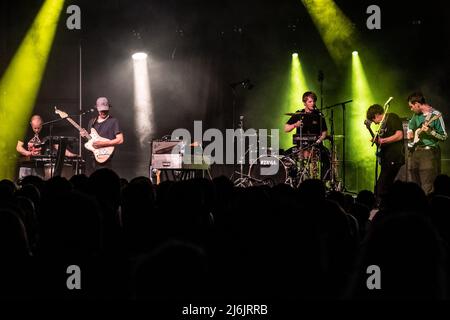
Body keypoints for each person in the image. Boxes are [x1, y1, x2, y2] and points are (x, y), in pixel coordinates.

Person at [407, 92, 447, 194]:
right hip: (415, 152)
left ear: (417, 104)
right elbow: (410, 125)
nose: (411, 109)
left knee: (427, 185)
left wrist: (431, 132)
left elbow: (444, 137)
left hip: (428, 153)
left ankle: (428, 207)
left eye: (411, 106)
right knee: (414, 185)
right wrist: (410, 131)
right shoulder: (416, 115)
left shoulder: (436, 115)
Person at [284, 91, 330, 180]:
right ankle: (292, 180)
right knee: (286, 155)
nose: (313, 104)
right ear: (304, 103)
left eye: (314, 101)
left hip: (316, 145)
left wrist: (319, 140)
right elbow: (286, 128)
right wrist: (294, 125)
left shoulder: (319, 115)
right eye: (310, 102)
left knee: (327, 156)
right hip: (301, 147)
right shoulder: (299, 114)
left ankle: (324, 182)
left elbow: (324, 133)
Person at [16, 115, 78, 179]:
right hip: (26, 166)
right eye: (35, 128)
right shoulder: (25, 131)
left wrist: (69, 154)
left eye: (38, 128)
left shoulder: (46, 132)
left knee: (39, 186)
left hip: (39, 167)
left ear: (42, 124)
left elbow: (56, 145)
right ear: (31, 124)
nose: (37, 130)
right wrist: (27, 153)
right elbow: (18, 147)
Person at [365, 104, 404, 200]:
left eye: (373, 120)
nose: (375, 123)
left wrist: (383, 140)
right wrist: (369, 129)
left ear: (377, 115)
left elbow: (399, 135)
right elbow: (380, 143)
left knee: (382, 185)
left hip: (394, 157)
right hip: (386, 158)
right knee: (384, 185)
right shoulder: (382, 125)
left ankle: (381, 206)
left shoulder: (392, 117)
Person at [84, 97, 124, 175]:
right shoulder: (92, 122)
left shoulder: (113, 121)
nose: (103, 112)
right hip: (91, 157)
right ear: (97, 109)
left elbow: (120, 140)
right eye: (101, 110)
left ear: (108, 108)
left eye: (105, 110)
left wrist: (102, 144)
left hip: (104, 156)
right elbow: (90, 140)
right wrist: (85, 135)